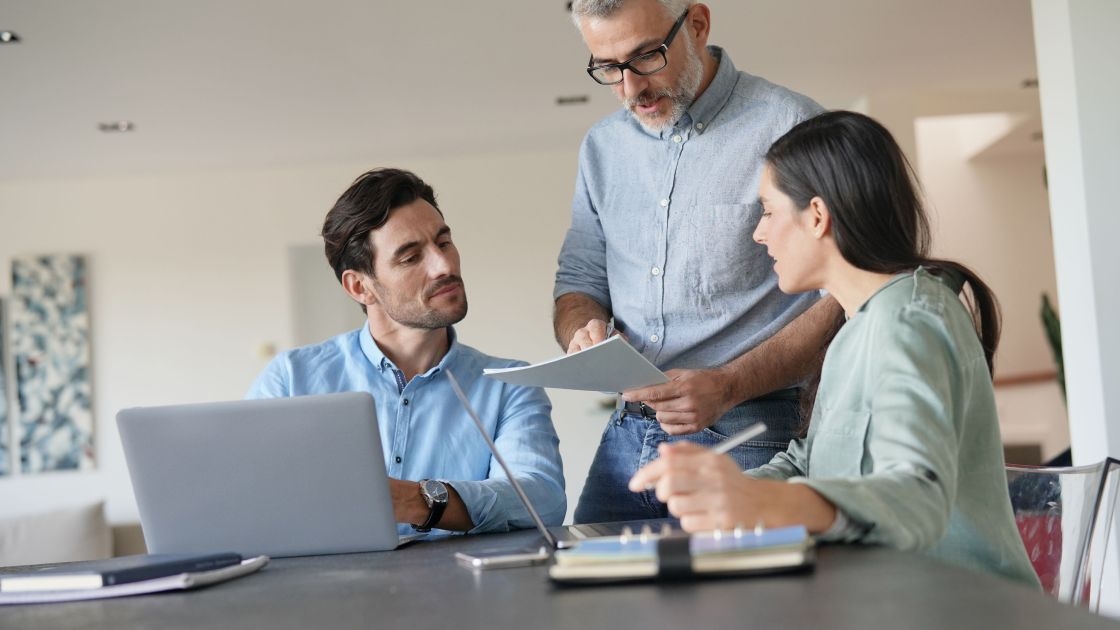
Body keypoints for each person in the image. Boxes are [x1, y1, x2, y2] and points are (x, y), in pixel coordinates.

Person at [629, 111, 1041, 585]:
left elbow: (917, 499)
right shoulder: (854, 329)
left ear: (818, 216)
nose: (758, 233)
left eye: (767, 211)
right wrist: (729, 488)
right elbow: (811, 462)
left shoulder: (909, 322)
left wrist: (762, 503)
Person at [555, 0, 842, 524]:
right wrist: (582, 330)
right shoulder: (601, 148)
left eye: (645, 57)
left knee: (739, 605)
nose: (630, 88)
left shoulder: (792, 126)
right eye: (608, 68)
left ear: (698, 25)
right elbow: (577, 283)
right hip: (627, 433)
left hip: (752, 428)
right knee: (595, 599)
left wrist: (730, 384)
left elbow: (842, 294)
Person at [248, 168, 567, 536]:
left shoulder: (510, 385)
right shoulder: (291, 379)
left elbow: (541, 499)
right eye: (411, 257)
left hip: (464, 590)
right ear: (360, 287)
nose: (444, 266)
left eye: (443, 243)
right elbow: (247, 498)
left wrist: (414, 500)